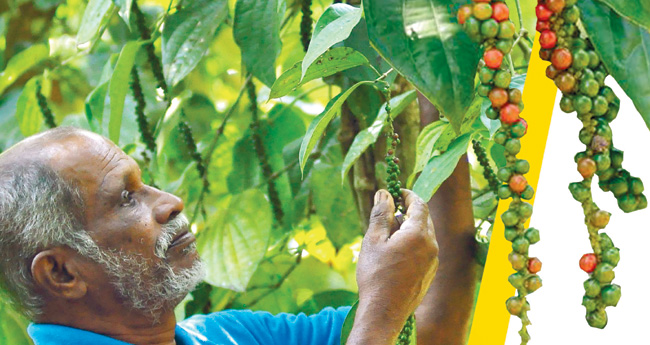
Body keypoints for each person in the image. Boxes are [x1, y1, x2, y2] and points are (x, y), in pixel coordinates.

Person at [0, 127, 440, 345]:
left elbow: (428, 328)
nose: (170, 202)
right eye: (126, 199)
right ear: (61, 273)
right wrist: (380, 313)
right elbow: (383, 319)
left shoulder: (227, 335)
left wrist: (441, 104)